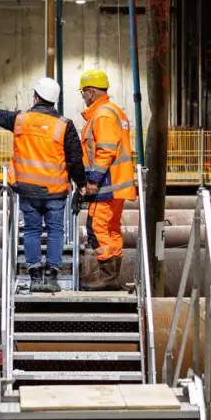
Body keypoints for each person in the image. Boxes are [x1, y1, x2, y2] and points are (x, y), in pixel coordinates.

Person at [0, 76, 84, 292]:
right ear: (54, 100)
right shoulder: (64, 125)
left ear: (36, 97)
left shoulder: (20, 120)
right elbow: (75, 159)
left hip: (27, 190)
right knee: (56, 231)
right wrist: (81, 184)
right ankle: (52, 276)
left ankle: (35, 276)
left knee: (32, 231)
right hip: (56, 191)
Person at [77, 69, 136, 290]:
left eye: (83, 93)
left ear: (90, 92)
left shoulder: (102, 115)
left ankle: (108, 276)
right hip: (117, 184)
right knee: (112, 229)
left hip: (106, 184)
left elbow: (105, 151)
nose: (83, 97)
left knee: (96, 228)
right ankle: (111, 277)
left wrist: (92, 180)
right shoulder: (115, 111)